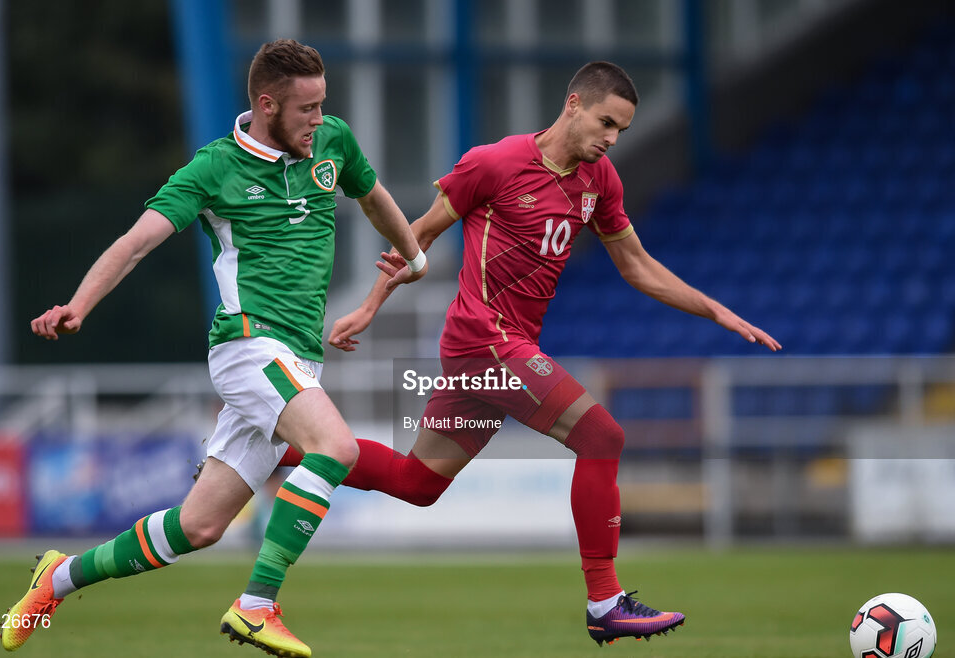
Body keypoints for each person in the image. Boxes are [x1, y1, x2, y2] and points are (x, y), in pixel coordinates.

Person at [274, 61, 781, 646]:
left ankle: (277, 453)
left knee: (418, 483)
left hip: (500, 351)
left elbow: (636, 265)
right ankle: (605, 601)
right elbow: (418, 236)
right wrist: (369, 305)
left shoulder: (599, 180)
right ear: (572, 103)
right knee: (603, 437)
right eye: (606, 122)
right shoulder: (493, 163)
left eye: (621, 130)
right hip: (483, 340)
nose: (612, 139)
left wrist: (715, 310)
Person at [3, 39, 426, 657]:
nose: (318, 119)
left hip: (297, 357)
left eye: (321, 105)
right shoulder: (212, 169)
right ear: (266, 104)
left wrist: (413, 255)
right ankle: (257, 606)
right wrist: (78, 305)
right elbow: (134, 242)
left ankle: (55, 579)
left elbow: (373, 196)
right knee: (334, 446)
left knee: (198, 527)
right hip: (249, 345)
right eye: (306, 108)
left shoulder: (333, 141)